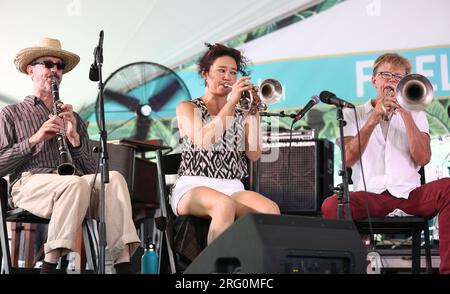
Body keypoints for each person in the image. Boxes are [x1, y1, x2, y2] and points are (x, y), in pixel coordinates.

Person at [0, 37, 140, 274]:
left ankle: (123, 265)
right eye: (48, 64)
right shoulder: (11, 113)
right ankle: (49, 266)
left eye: (60, 66)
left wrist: (75, 139)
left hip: (73, 186)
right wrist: (35, 139)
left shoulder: (71, 116)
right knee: (74, 184)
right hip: (29, 184)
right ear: (30, 70)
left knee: (113, 178)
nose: (55, 70)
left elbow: (89, 170)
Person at [321, 53, 450, 274]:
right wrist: (373, 118)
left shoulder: (416, 113)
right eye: (385, 74)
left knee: (448, 188)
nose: (391, 80)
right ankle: (353, 268)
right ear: (374, 80)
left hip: (410, 196)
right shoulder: (353, 113)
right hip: (371, 196)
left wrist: (406, 115)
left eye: (398, 76)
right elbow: (349, 158)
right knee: (331, 206)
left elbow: (423, 158)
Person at [172, 43, 280, 244]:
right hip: (193, 185)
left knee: (270, 210)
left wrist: (253, 111)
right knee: (224, 205)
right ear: (205, 74)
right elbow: (205, 141)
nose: (227, 77)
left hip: (232, 186)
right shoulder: (187, 107)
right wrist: (231, 103)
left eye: (232, 72)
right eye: (221, 71)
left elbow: (254, 154)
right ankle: (217, 268)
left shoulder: (241, 111)